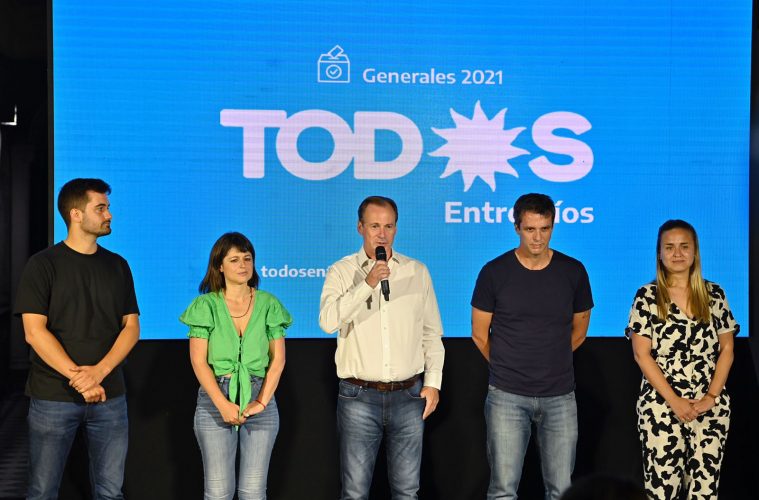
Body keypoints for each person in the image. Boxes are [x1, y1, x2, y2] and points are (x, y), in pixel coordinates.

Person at [14, 178, 140, 499]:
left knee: (111, 492)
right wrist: (81, 379)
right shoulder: (43, 265)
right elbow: (34, 332)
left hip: (110, 396)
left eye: (108, 208)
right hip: (53, 397)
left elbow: (131, 327)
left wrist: (98, 373)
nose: (109, 214)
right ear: (76, 214)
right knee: (42, 491)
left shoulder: (118, 265)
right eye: (101, 208)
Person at [319, 196, 445, 500]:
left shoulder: (416, 271)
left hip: (409, 395)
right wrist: (367, 283)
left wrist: (433, 383)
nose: (382, 234)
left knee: (407, 491)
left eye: (388, 226)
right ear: (360, 227)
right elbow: (328, 321)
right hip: (358, 397)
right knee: (355, 492)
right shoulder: (341, 271)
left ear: (396, 229)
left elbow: (431, 333)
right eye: (375, 226)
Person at [471, 192, 593, 500]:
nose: (537, 237)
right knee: (503, 490)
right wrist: (508, 365)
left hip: (560, 395)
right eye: (530, 229)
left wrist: (551, 359)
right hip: (506, 396)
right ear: (516, 228)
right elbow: (480, 335)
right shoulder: (494, 272)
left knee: (561, 491)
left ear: (553, 227)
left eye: (544, 229)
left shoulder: (573, 271)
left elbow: (579, 331)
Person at [627, 220, 737, 499]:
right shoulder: (647, 296)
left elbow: (727, 349)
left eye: (684, 246)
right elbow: (641, 354)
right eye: (670, 247)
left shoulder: (715, 294)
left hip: (709, 406)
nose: (677, 253)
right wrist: (675, 401)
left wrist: (711, 397)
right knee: (661, 491)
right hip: (661, 406)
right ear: (659, 253)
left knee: (705, 491)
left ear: (695, 251)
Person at [180, 232, 291, 500]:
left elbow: (278, 360)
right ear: (219, 265)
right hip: (215, 397)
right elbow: (198, 361)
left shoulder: (268, 303)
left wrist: (261, 402)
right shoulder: (205, 305)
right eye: (234, 260)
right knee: (218, 492)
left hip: (260, 396)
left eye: (247, 258)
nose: (243, 265)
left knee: (253, 492)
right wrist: (222, 404)